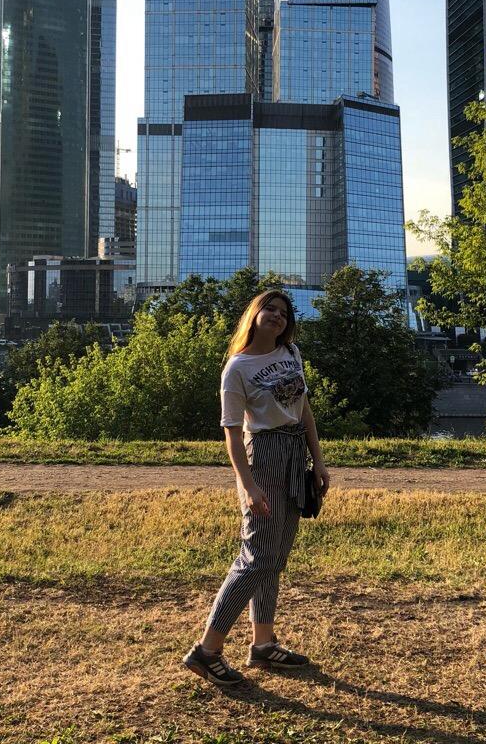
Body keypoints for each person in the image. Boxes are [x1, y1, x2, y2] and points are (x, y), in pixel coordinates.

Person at [182, 290, 330, 685]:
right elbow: (232, 433)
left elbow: (303, 409)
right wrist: (247, 485)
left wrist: (318, 460)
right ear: (255, 314)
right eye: (270, 309)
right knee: (256, 557)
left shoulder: (291, 353)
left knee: (275, 556)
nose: (278, 316)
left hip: (295, 452)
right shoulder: (237, 368)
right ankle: (206, 651)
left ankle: (263, 643)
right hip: (263, 455)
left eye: (284, 312)